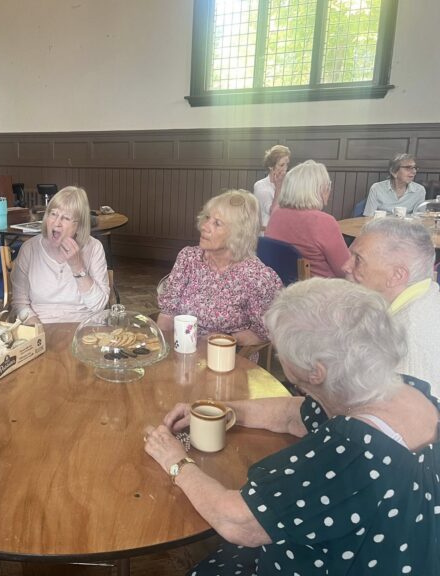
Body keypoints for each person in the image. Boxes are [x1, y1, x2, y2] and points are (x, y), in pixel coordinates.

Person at [144, 278, 440, 575]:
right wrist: (225, 409)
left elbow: (237, 522)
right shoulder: (405, 392)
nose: (279, 354)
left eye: (281, 346)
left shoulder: (347, 453)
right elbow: (293, 413)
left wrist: (176, 461)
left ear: (315, 372)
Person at [157, 190, 282, 345]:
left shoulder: (255, 276)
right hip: (182, 350)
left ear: (238, 234)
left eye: (217, 223)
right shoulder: (188, 258)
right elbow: (167, 314)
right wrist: (161, 350)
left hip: (228, 359)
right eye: (207, 218)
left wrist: (223, 340)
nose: (204, 226)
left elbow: (265, 332)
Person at [342, 217, 440, 395]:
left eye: (358, 260)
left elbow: (405, 419)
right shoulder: (428, 293)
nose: (345, 266)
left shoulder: (407, 342)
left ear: (397, 275)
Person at [10, 186, 109, 324]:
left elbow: (99, 306)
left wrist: (77, 267)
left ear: (79, 225)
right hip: (39, 325)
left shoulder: (94, 248)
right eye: (53, 214)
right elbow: (20, 303)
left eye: (66, 218)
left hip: (83, 328)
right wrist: (37, 331)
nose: (56, 223)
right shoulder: (30, 249)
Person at [265, 159, 350, 278]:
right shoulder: (324, 222)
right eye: (327, 185)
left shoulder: (276, 213)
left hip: (282, 285)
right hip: (320, 291)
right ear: (319, 190)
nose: (329, 190)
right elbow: (346, 270)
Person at [253, 145, 290, 227]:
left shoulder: (288, 184)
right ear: (271, 167)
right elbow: (273, 212)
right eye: (281, 165)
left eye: (287, 164)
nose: (285, 169)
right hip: (266, 233)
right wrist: (279, 187)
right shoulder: (260, 186)